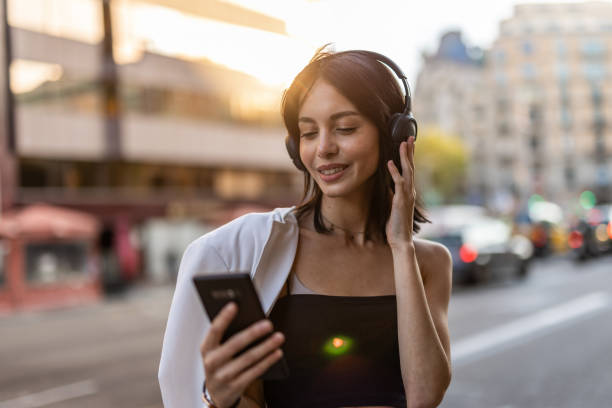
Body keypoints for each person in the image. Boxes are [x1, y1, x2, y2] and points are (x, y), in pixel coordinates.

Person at [158, 46, 453, 408]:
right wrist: (221, 400)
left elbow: (425, 396)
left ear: (394, 134)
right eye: (309, 133)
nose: (324, 148)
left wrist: (401, 247)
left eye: (345, 128)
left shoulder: (429, 262)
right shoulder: (264, 251)